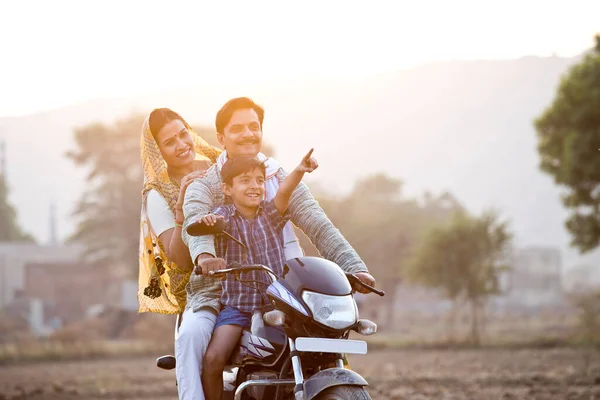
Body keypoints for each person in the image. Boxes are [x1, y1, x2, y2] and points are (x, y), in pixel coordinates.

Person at [181, 97, 376, 396]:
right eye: (238, 128)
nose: (248, 133)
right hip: (221, 290)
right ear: (221, 138)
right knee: (196, 341)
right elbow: (197, 222)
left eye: (253, 126)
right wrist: (206, 255)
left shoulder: (276, 178)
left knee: (324, 333)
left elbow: (318, 224)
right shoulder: (206, 182)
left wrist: (354, 267)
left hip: (280, 288)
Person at [199, 151, 318, 400]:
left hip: (275, 304)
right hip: (238, 305)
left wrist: (299, 170)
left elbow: (284, 192)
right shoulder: (222, 217)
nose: (254, 186)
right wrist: (208, 221)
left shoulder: (271, 214)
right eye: (245, 180)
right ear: (228, 189)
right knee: (213, 358)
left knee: (310, 345)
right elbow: (206, 229)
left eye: (260, 180)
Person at [137, 107, 222, 400]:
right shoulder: (157, 192)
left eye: (183, 134)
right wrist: (182, 208)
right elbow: (179, 259)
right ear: (158, 150)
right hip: (199, 286)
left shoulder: (217, 165)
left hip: (246, 274)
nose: (181, 144)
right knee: (189, 340)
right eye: (169, 142)